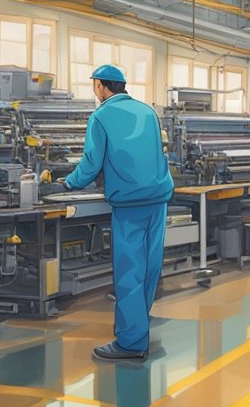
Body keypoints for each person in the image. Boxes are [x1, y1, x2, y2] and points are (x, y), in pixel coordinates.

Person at [61, 64, 174, 361]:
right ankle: (135, 327)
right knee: (150, 268)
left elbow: (90, 163)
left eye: (95, 85)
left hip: (129, 204)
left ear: (101, 86)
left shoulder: (101, 116)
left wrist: (68, 182)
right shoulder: (148, 112)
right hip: (158, 197)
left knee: (129, 273)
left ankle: (131, 343)